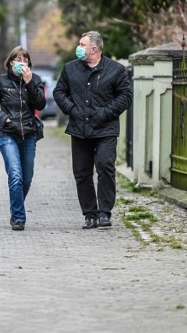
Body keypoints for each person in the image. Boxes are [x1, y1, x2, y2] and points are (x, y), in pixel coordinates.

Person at [53, 31, 133, 229]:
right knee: (82, 173)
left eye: (82, 45)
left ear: (94, 49)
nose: (78, 48)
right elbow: (59, 92)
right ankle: (90, 214)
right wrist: (72, 109)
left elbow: (125, 96)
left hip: (106, 129)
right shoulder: (70, 69)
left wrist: (105, 113)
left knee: (105, 166)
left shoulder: (115, 70)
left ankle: (104, 212)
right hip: (79, 129)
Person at [0, 46, 46, 231]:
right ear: (10, 62)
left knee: (26, 179)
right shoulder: (0, 82)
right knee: (16, 175)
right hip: (7, 134)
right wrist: (5, 118)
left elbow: (40, 104)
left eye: (25, 60)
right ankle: (19, 218)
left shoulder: (35, 80)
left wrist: (29, 82)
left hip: (29, 134)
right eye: (17, 59)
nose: (21, 62)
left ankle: (15, 208)